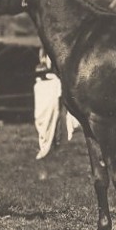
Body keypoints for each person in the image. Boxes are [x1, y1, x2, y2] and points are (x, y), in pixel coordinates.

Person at [33, 49, 79, 178]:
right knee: (45, 131)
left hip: (55, 108)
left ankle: (55, 165)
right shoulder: (39, 86)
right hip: (44, 110)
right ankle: (45, 161)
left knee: (58, 132)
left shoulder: (55, 82)